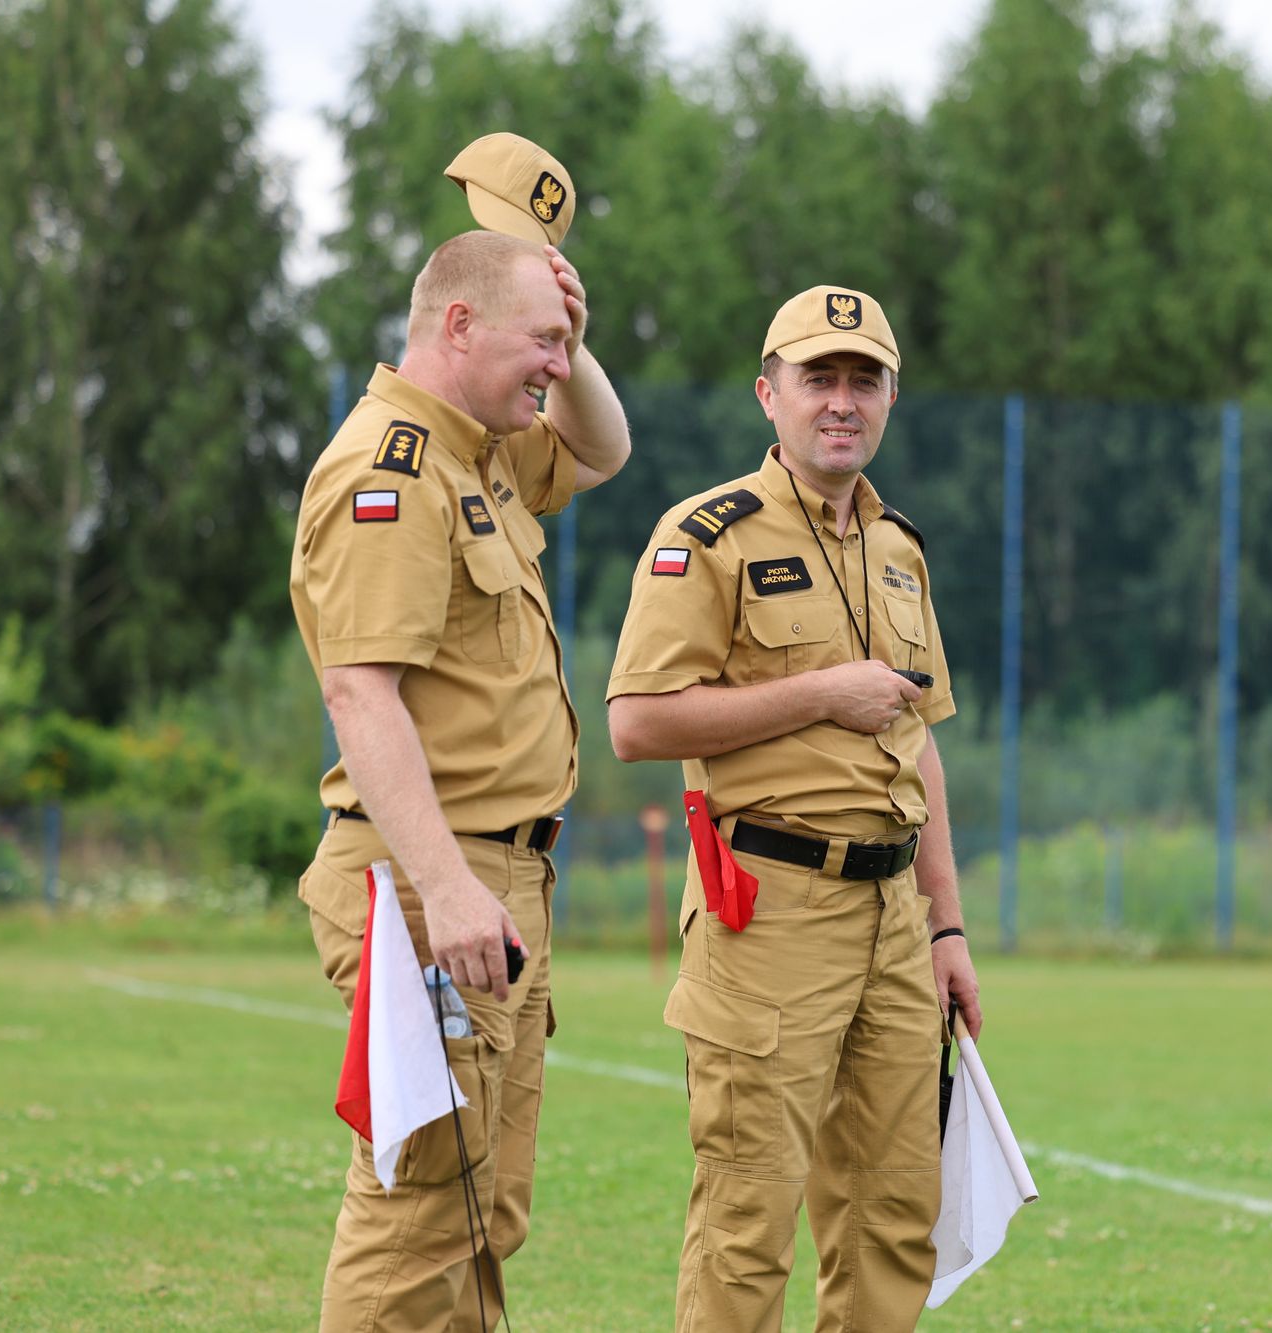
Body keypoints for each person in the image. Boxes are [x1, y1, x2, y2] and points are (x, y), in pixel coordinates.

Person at [289, 133, 629, 1331]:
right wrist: (447, 888)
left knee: (481, 1208)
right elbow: (360, 697)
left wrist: (564, 329)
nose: (559, 363)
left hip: (496, 877)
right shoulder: (392, 472)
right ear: (458, 329)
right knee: (422, 1203)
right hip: (434, 879)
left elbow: (606, 447)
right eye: (542, 341)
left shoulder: (477, 457)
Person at [607, 285, 983, 1332]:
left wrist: (944, 924)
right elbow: (636, 722)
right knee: (748, 1217)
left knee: (892, 1215)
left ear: (890, 399)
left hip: (893, 924)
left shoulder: (897, 547)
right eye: (818, 376)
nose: (841, 400)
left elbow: (920, 745)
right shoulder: (706, 534)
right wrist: (821, 692)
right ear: (767, 393)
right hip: (767, 910)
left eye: (864, 380)